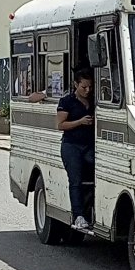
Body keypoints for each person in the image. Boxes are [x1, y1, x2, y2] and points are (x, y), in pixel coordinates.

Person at [56, 69, 95, 231]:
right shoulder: (67, 101)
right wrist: (80, 122)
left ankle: (91, 211)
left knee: (94, 177)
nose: (87, 90)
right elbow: (60, 125)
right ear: (75, 85)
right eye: (84, 87)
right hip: (71, 145)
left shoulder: (93, 101)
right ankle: (78, 216)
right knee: (76, 180)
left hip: (89, 145)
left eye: (90, 87)